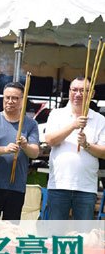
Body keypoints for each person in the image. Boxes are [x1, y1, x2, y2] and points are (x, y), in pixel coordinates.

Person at [45, 77, 105, 220]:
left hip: (86, 187)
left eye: (83, 90)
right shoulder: (56, 114)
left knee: (83, 236)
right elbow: (50, 140)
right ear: (69, 91)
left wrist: (86, 144)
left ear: (92, 94)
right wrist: (73, 125)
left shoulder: (100, 119)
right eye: (74, 90)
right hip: (58, 185)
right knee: (55, 233)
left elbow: (103, 153)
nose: (78, 94)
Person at [0, 82, 40, 220]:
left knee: (11, 230)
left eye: (15, 98)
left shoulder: (31, 124)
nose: (10, 101)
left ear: (22, 100)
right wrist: (5, 149)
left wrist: (25, 145)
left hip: (16, 186)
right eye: (7, 97)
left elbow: (35, 152)